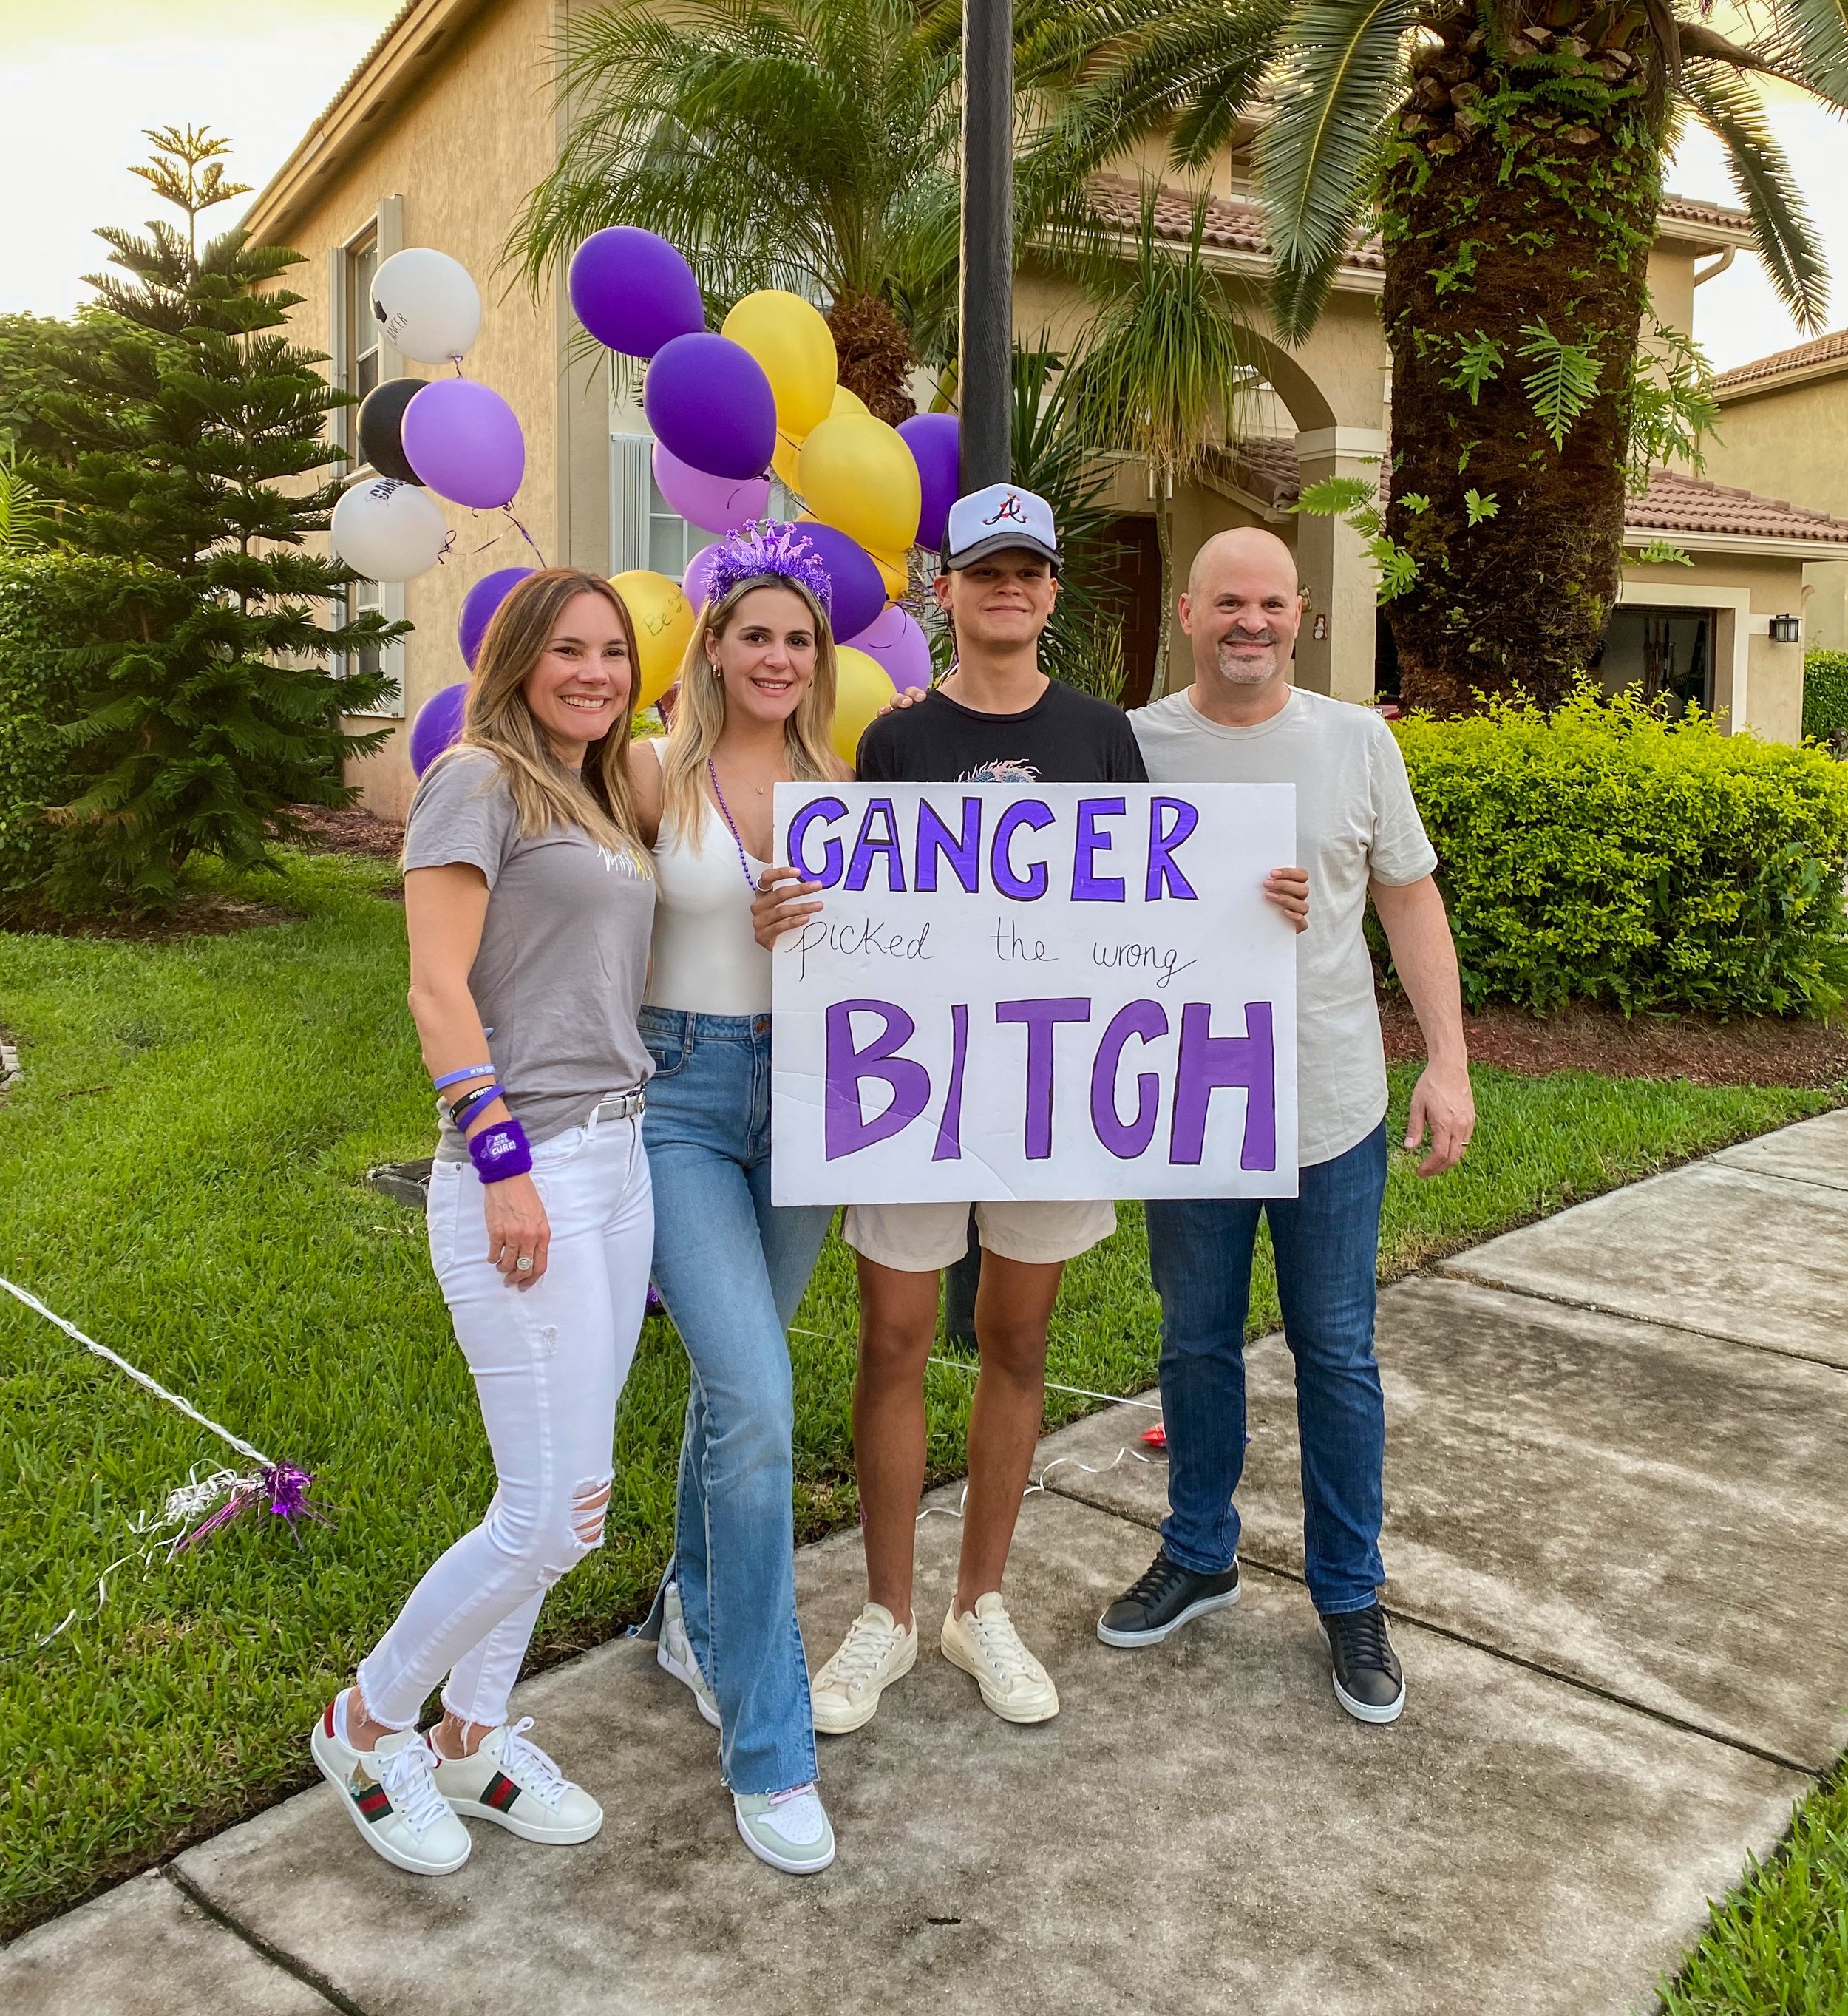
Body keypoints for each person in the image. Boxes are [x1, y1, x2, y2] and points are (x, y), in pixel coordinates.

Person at [753, 483, 1309, 1733]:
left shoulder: (1102, 733)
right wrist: (793, 918)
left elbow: (1151, 897)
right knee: (893, 1340)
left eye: (1028, 571)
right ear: (941, 589)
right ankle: (887, 1612)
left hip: (1056, 1087)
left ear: (1053, 592)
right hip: (916, 1091)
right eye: (982, 569)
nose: (1006, 588)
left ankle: (978, 1601)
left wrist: (1253, 911)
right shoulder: (893, 744)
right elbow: (863, 915)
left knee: (1017, 1342)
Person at [1098, 526, 1475, 1725]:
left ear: (1300, 615)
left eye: (1270, 603)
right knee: (1195, 1341)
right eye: (1227, 603)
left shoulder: (1357, 741)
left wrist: (1449, 1062)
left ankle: (1350, 1593)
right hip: (1188, 1103)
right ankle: (1199, 1549)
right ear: (1188, 616)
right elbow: (1076, 912)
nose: (1249, 622)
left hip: (1330, 1102)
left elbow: (1411, 901)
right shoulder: (1134, 746)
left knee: (1337, 1350)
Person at [311, 570, 657, 1873]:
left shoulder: (605, 787)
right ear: (516, 658)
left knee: (582, 1488)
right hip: (531, 1170)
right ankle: (369, 1716)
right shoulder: (478, 781)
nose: (594, 671)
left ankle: (473, 1733)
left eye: (614, 651)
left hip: (621, 1162)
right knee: (547, 1511)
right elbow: (436, 993)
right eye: (567, 648)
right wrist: (502, 1159)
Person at [628, 525, 846, 1878]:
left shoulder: (847, 782)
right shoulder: (657, 773)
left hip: (819, 1102)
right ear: (713, 644)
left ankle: (689, 1612)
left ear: (820, 661)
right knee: (760, 1400)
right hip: (684, 1095)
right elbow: (581, 909)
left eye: (799, 638)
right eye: (754, 632)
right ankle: (771, 1743)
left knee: (735, 1385)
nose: (776, 655)